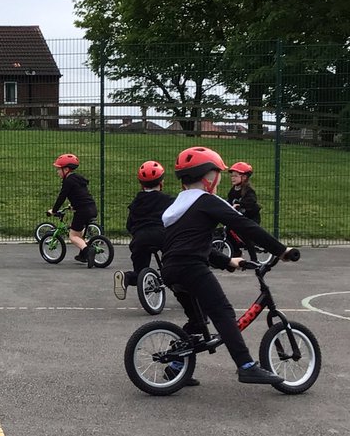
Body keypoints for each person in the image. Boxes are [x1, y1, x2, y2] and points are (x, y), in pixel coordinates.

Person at [161, 146, 295, 386]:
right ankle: (246, 366)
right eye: (218, 173)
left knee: (197, 320)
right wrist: (281, 250)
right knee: (222, 311)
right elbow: (245, 225)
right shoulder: (206, 201)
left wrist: (227, 261)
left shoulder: (177, 207)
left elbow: (194, 245)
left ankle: (176, 367)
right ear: (209, 177)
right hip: (192, 268)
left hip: (171, 269)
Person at [113, 160, 173, 300]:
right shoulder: (168, 200)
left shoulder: (136, 203)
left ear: (141, 185)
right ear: (161, 183)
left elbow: (129, 225)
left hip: (140, 238)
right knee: (175, 262)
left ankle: (127, 277)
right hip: (162, 235)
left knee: (140, 271)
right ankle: (179, 282)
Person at [47, 153, 97, 263]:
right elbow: (80, 195)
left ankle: (88, 251)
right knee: (79, 233)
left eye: (59, 169)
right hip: (92, 207)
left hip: (82, 211)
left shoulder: (68, 181)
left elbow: (61, 197)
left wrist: (54, 211)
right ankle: (83, 255)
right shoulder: (78, 179)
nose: (57, 172)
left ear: (66, 169)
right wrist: (73, 205)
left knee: (73, 236)